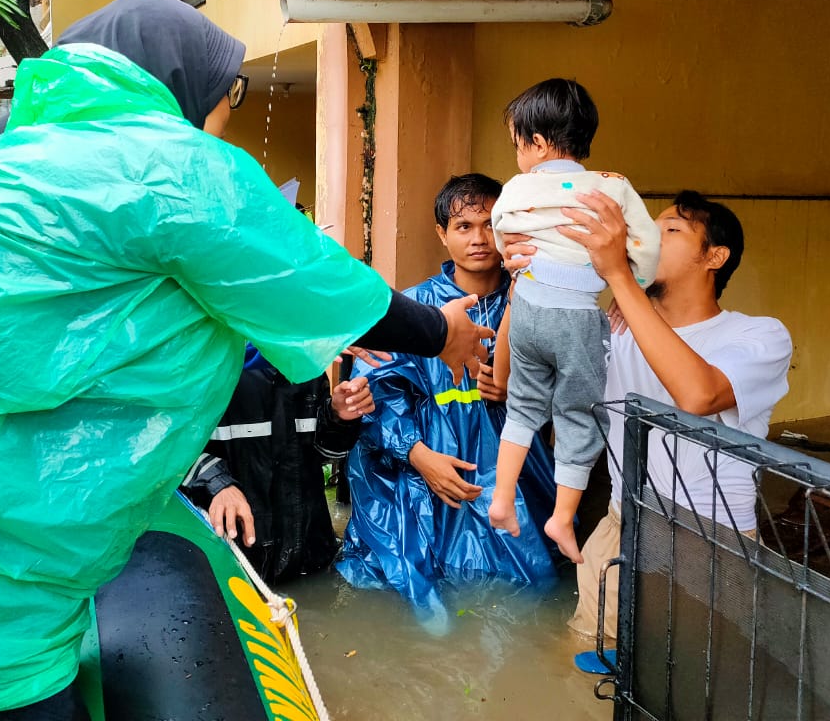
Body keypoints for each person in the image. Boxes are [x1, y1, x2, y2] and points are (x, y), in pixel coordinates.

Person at [0, 0, 495, 721]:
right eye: (226, 96)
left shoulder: (6, 165)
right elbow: (325, 286)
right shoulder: (171, 166)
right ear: (181, 88)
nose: (226, 117)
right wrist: (445, 334)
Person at [504, 188, 792, 662]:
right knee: (590, 673)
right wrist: (529, 287)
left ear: (714, 257)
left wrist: (621, 279)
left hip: (711, 545)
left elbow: (697, 394)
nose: (646, 239)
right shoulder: (613, 327)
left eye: (671, 230)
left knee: (697, 681)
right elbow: (513, 383)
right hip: (622, 529)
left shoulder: (759, 334)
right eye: (648, 229)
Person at [336, 174, 558, 632]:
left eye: (489, 224)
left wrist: (521, 390)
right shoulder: (413, 311)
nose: (478, 238)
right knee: (415, 597)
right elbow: (373, 395)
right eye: (463, 226)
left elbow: (577, 390)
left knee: (528, 597)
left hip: (509, 475)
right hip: (422, 479)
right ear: (442, 233)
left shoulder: (537, 307)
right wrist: (420, 457)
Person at [487, 78, 659, 564]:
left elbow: (503, 231)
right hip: (576, 316)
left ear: (537, 143)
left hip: (528, 310)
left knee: (522, 407)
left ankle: (501, 500)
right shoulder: (612, 185)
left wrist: (512, 256)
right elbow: (646, 246)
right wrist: (633, 290)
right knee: (577, 416)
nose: (518, 155)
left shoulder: (517, 187)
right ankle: (562, 517)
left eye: (517, 143)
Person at [181, 345, 374, 584]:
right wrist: (218, 485)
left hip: (312, 557)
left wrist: (338, 415)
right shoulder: (208, 366)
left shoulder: (308, 370)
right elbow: (163, 450)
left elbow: (326, 452)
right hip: (234, 563)